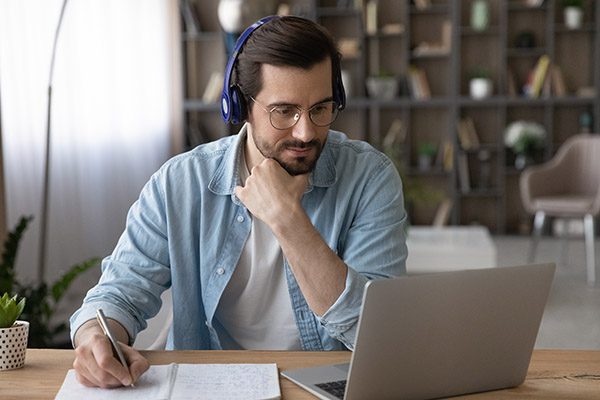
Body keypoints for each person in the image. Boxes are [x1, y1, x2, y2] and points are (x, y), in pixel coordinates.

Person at [70, 15, 407, 388]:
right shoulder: (179, 183)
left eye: (320, 108)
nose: (306, 131)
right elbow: (119, 294)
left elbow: (378, 335)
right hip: (207, 386)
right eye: (284, 111)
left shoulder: (370, 178)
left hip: (324, 387)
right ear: (241, 107)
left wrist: (286, 219)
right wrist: (96, 339)